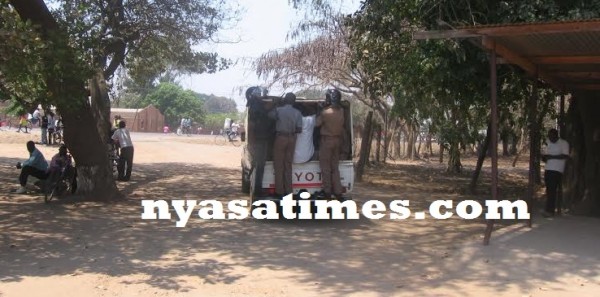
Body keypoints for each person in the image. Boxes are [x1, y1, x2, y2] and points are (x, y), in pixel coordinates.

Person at [268, 92, 302, 197]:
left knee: (279, 165)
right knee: (288, 164)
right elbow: (299, 129)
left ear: (285, 100)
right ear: (294, 101)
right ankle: (289, 190)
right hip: (292, 138)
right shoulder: (298, 113)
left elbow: (269, 115)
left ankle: (280, 191)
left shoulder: (278, 110)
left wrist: (276, 104)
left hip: (280, 138)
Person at [316, 89, 345, 200]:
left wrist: (319, 110)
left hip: (327, 141)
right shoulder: (341, 111)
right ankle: (338, 191)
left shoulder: (325, 112)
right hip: (337, 141)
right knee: (335, 167)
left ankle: (327, 191)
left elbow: (316, 123)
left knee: (326, 167)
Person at [246, 86, 273, 195]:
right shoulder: (257, 107)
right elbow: (252, 125)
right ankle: (257, 189)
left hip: (258, 140)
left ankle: (257, 188)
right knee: (259, 165)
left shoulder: (253, 104)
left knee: (258, 165)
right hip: (260, 140)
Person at [541, 128, 569, 217]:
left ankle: (551, 210)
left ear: (556, 135)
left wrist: (551, 157)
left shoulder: (563, 143)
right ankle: (550, 209)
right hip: (548, 169)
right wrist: (544, 157)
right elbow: (545, 156)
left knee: (553, 190)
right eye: (549, 137)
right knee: (549, 190)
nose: (550, 138)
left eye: (552, 137)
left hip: (557, 170)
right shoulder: (547, 142)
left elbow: (565, 156)